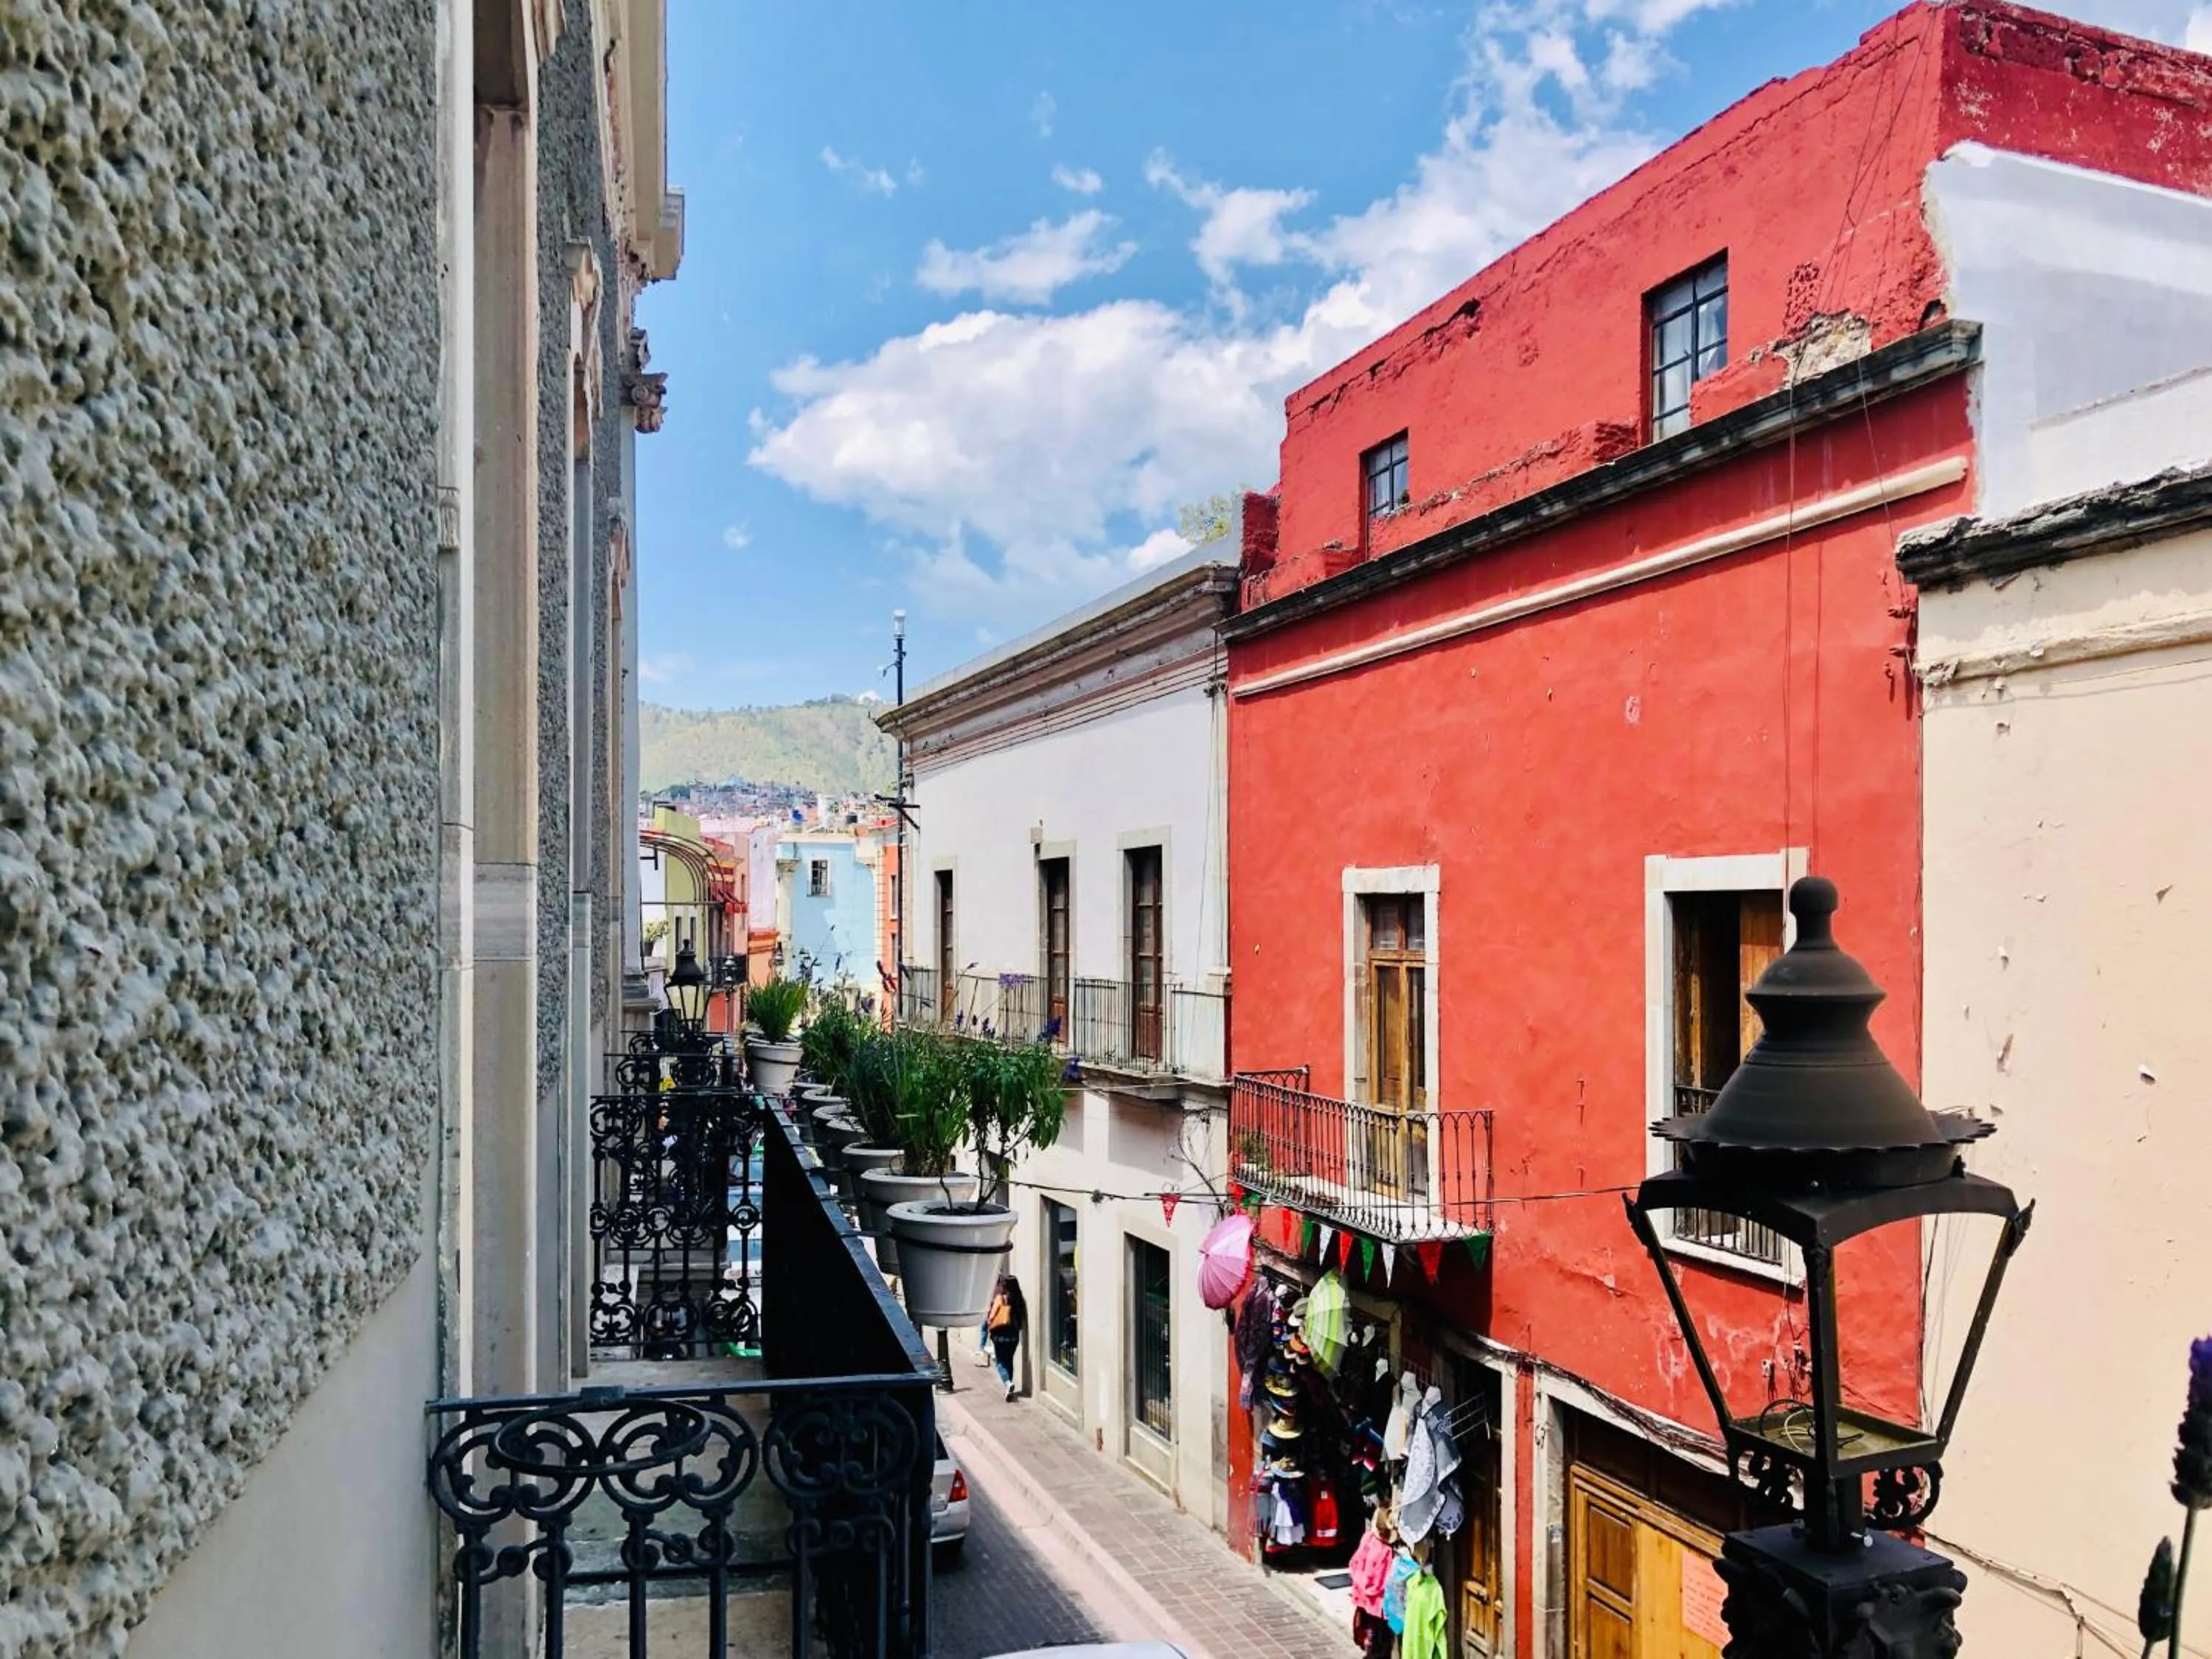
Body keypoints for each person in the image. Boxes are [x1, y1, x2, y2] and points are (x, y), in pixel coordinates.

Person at [984, 1273, 1027, 1402]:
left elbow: (991, 1317)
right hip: (1014, 1335)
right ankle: (1009, 1385)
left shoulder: (1001, 1298)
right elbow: (1022, 1319)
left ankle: (1008, 1383)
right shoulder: (1020, 1300)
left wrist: (988, 1322)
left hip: (1000, 1335)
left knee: (1000, 1362)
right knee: (1009, 1360)